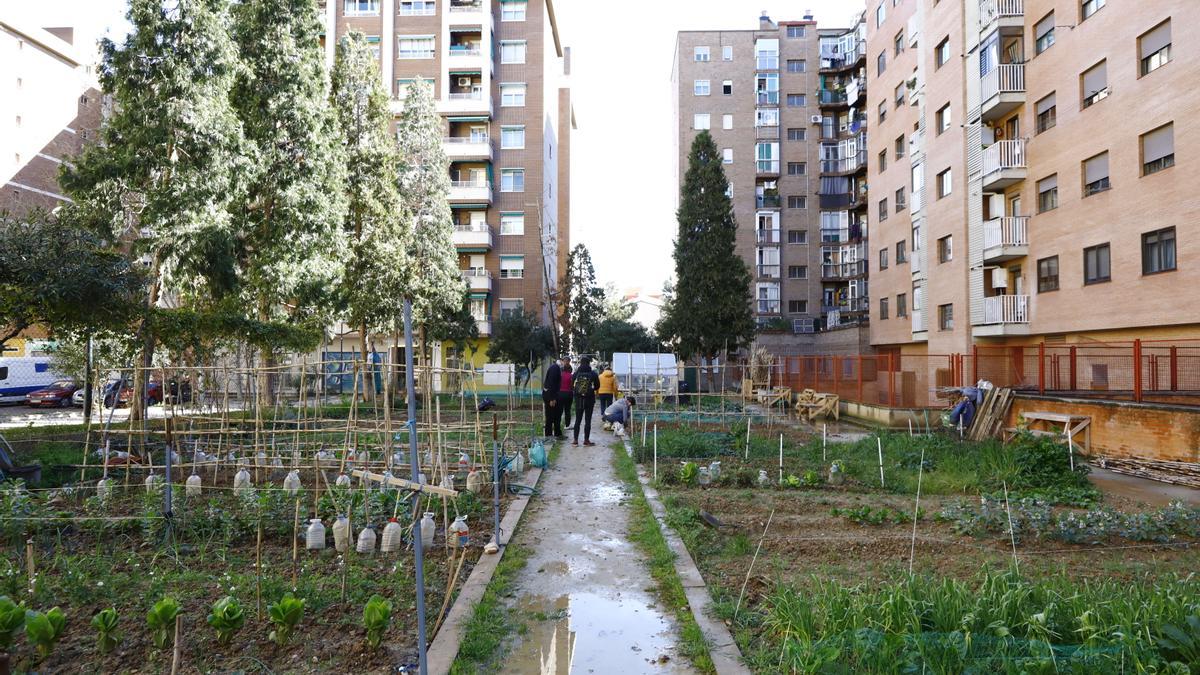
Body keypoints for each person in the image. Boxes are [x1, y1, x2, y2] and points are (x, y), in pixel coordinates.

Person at [571, 357, 601, 446]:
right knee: (588, 420)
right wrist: (591, 389)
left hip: (579, 399)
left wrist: (578, 392)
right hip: (589, 399)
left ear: (580, 363)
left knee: (578, 420)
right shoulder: (593, 374)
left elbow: (571, 385)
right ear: (588, 363)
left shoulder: (576, 373)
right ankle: (586, 440)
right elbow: (597, 386)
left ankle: (575, 440)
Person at [541, 357, 563, 438]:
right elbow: (551, 383)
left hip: (552, 395)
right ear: (560, 361)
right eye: (564, 361)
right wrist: (552, 399)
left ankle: (557, 433)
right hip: (549, 396)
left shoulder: (556, 368)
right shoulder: (555, 368)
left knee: (557, 415)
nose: (565, 363)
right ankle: (549, 434)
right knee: (550, 416)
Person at [559, 362, 574, 432]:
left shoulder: (560, 375)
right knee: (567, 410)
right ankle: (567, 425)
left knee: (559, 410)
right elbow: (572, 386)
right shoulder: (571, 376)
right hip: (568, 394)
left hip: (560, 394)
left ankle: (558, 424)